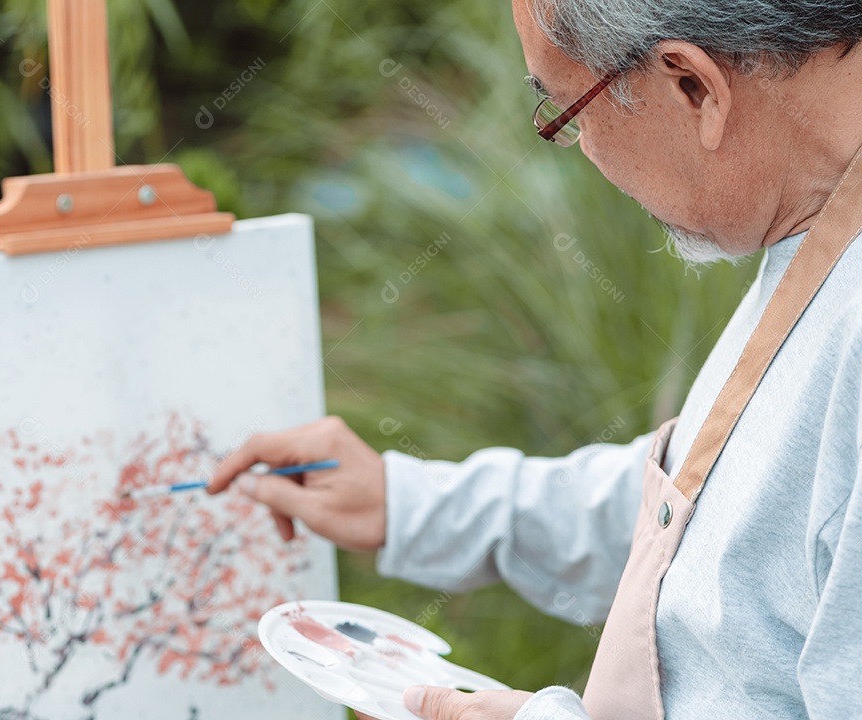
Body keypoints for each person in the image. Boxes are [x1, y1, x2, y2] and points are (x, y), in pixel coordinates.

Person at [208, 1, 862, 718]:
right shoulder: (819, 229)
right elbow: (710, 512)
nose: (583, 150)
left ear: (692, 86)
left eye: (566, 113)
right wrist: (412, 506)